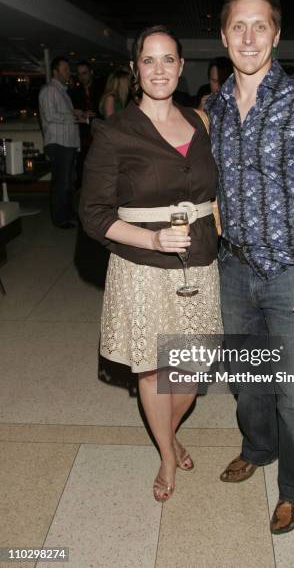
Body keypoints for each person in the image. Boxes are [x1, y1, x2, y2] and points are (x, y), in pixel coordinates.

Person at [206, 0, 294, 534]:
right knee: (248, 380)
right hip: (234, 268)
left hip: (293, 272)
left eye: (259, 25)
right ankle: (257, 447)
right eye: (238, 26)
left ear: (277, 35)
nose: (248, 36)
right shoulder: (215, 109)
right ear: (223, 36)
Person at [79, 25, 222, 502]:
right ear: (136, 70)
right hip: (142, 267)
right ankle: (166, 452)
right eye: (148, 60)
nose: (159, 69)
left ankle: (169, 431)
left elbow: (213, 191)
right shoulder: (115, 130)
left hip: (200, 261)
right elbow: (94, 215)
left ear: (182, 67)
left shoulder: (199, 122)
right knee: (154, 369)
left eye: (168, 60)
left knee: (191, 368)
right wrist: (153, 238)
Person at [39, 56, 84, 229]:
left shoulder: (61, 91)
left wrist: (76, 114)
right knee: (62, 183)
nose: (69, 72)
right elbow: (50, 116)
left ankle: (67, 216)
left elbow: (62, 116)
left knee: (67, 182)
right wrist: (73, 115)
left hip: (66, 143)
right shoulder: (50, 90)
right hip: (59, 144)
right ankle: (60, 219)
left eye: (68, 69)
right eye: (65, 69)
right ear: (56, 71)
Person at [70, 60, 103, 186]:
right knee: (82, 170)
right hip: (82, 137)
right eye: (79, 74)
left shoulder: (101, 90)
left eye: (84, 73)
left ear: (91, 73)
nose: (82, 77)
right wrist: (82, 114)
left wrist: (92, 116)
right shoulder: (74, 93)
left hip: (99, 135)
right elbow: (72, 114)